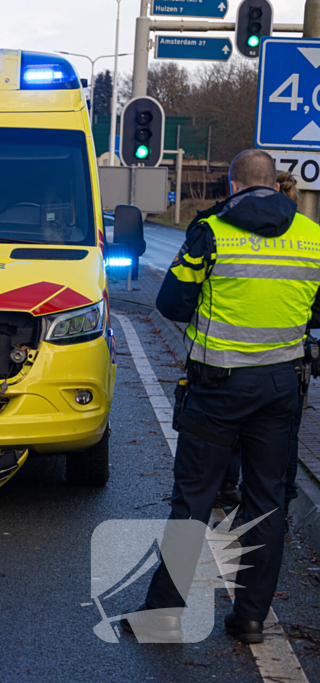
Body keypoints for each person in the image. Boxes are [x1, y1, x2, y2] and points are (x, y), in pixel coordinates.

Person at [121, 150, 320, 644]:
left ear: (233, 185)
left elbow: (170, 303)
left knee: (193, 501)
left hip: (217, 387)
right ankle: (251, 618)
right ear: (274, 184)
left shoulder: (212, 233)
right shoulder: (313, 238)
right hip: (280, 387)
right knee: (267, 500)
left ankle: (164, 615)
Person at [215, 171, 305, 513]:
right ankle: (278, 504)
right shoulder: (310, 236)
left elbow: (176, 301)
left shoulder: (222, 226)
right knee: (283, 440)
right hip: (285, 367)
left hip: (228, 362)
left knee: (227, 434)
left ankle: (225, 487)